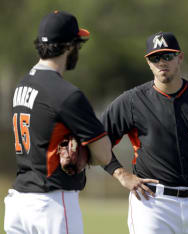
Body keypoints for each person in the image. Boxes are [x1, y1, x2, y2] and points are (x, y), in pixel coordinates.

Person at [101, 31, 188, 234]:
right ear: (148, 63)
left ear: (180, 57)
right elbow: (97, 141)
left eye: (167, 56)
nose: (161, 62)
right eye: (155, 58)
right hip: (152, 203)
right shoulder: (131, 101)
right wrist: (120, 173)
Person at [4, 10, 124, 234]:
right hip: (51, 204)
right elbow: (104, 155)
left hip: (18, 203)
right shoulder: (66, 94)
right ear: (69, 46)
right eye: (77, 44)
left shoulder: (22, 84)